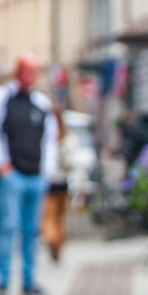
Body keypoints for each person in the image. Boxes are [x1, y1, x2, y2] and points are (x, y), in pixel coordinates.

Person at [0, 53, 58, 295]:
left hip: (35, 175)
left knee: (32, 231)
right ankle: (3, 279)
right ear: (18, 72)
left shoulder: (41, 103)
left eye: (34, 72)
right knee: (8, 227)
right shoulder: (3, 98)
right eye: (27, 71)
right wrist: (2, 164)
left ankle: (29, 279)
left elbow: (50, 139)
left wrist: (47, 170)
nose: (31, 77)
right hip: (12, 175)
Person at [42, 109, 94, 262]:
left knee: (50, 216)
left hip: (52, 181)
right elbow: (75, 162)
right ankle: (57, 244)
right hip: (62, 181)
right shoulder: (68, 138)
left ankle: (52, 240)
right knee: (59, 216)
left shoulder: (49, 138)